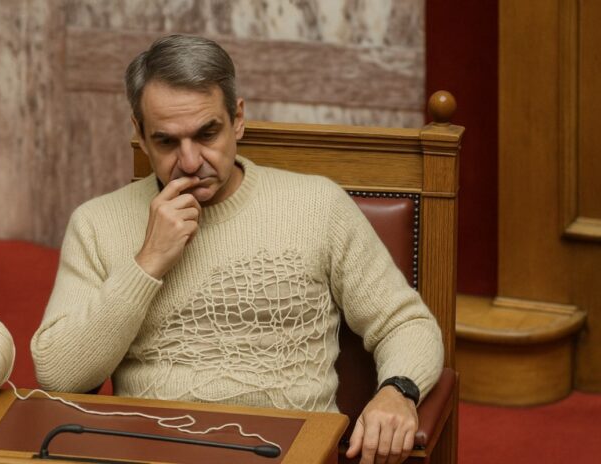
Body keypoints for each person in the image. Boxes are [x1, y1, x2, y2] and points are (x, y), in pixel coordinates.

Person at [31, 34, 443, 464]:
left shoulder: (317, 206)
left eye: (207, 133)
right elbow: (61, 376)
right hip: (150, 453)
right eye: (167, 141)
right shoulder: (97, 223)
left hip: (286, 454)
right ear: (140, 134)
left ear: (238, 119)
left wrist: (398, 391)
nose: (190, 162)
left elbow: (406, 322)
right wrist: (148, 262)